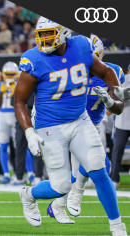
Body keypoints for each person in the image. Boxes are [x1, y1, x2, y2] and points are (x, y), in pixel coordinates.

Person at [15, 17, 127, 235]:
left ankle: (117, 227)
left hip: (80, 120)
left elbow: (105, 72)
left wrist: (117, 91)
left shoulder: (82, 47)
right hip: (50, 126)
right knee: (60, 187)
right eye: (41, 35)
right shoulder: (33, 60)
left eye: (49, 34)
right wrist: (29, 132)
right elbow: (19, 100)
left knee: (99, 169)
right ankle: (28, 195)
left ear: (64, 32)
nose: (44, 40)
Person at [66, 34, 126, 216]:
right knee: (73, 175)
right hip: (72, 125)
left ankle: (76, 192)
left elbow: (120, 103)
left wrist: (109, 101)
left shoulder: (111, 71)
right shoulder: (69, 70)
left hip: (94, 125)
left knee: (96, 164)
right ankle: (60, 202)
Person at [0, 61, 19, 183]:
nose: (9, 76)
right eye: (7, 74)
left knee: (20, 147)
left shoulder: (20, 84)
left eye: (11, 74)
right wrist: (1, 92)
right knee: (3, 146)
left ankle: (30, 174)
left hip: (15, 116)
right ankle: (6, 174)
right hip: (2, 115)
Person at [110, 64, 130, 189]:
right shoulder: (123, 79)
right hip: (122, 122)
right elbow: (118, 97)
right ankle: (114, 179)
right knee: (117, 151)